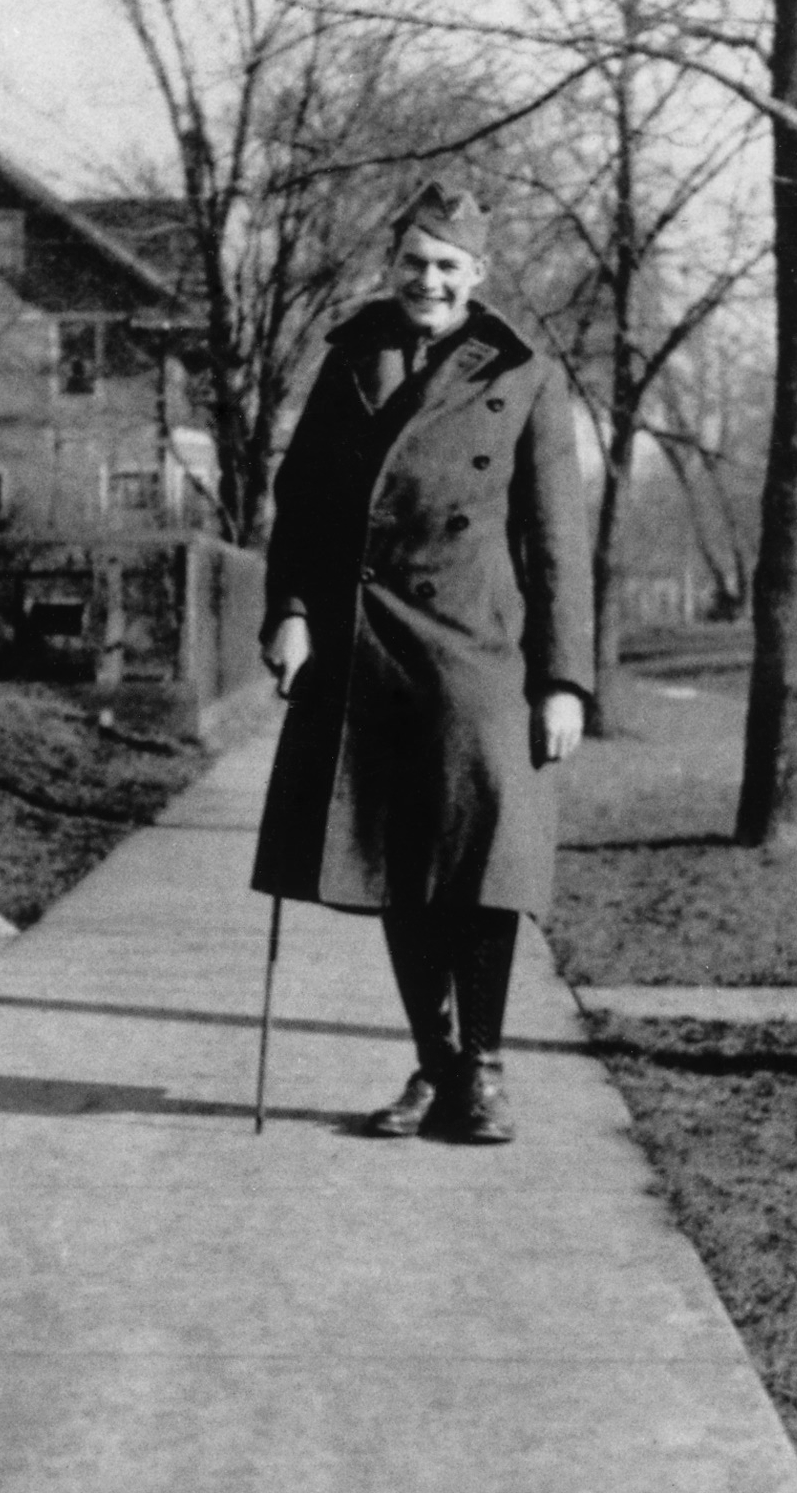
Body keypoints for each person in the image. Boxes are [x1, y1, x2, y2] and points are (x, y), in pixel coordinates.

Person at [253, 182, 593, 1144]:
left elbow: (556, 537)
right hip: (368, 646)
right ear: (391, 268)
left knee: (487, 861)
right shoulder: (348, 359)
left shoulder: (524, 371)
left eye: (447, 266)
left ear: (478, 276)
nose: (428, 280)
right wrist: (290, 611)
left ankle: (482, 1069)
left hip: (481, 652)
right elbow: (304, 505)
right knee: (399, 862)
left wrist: (564, 679)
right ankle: (438, 1070)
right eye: (413, 262)